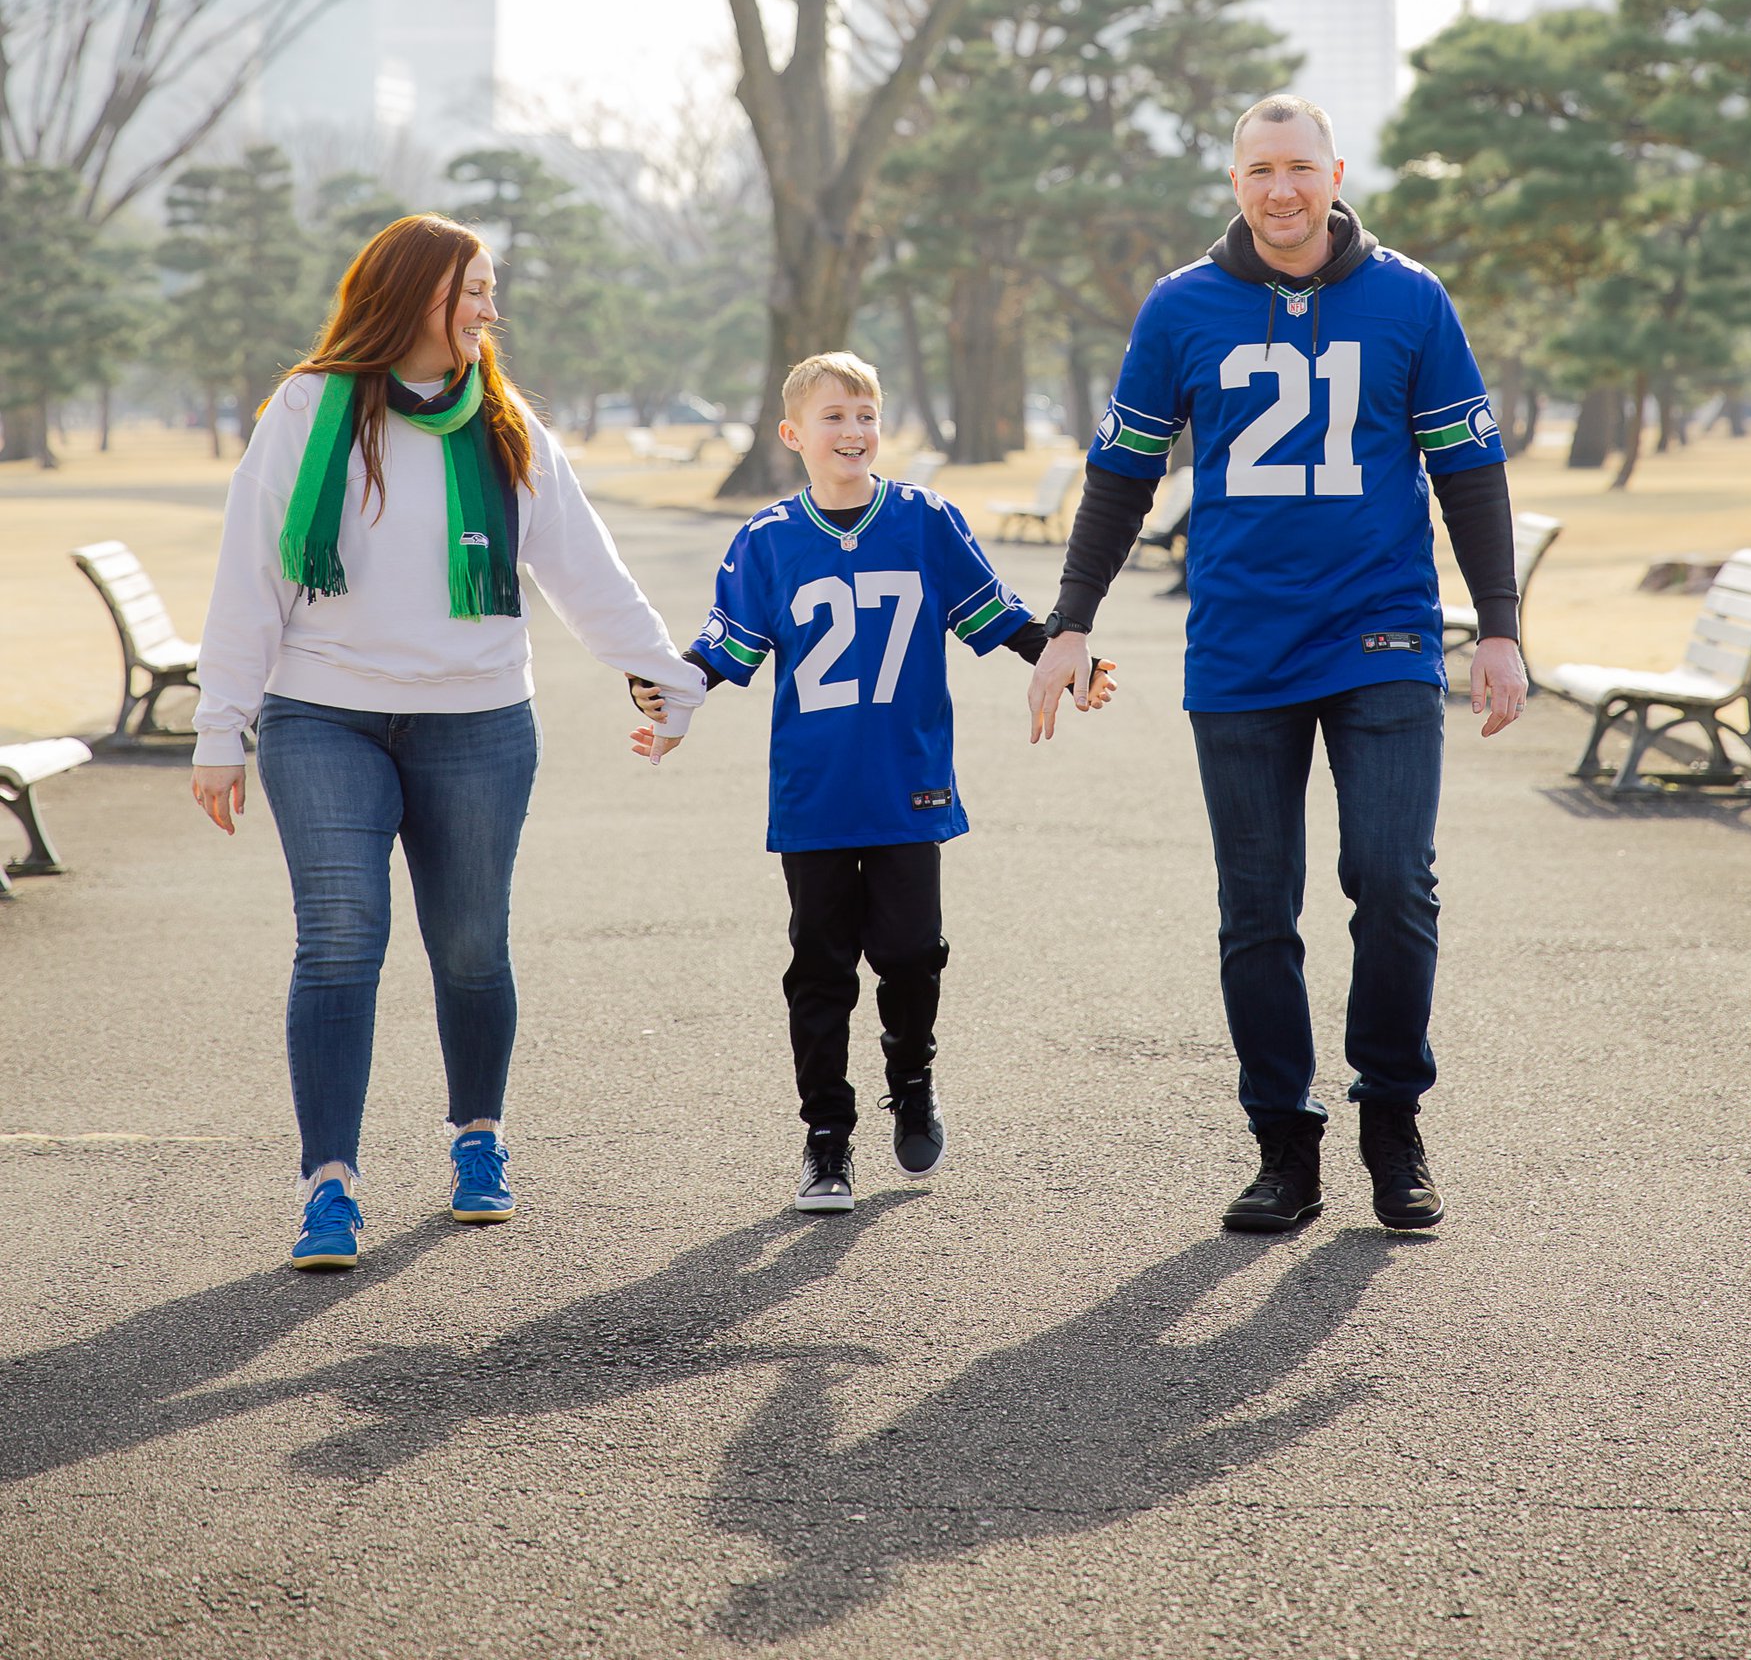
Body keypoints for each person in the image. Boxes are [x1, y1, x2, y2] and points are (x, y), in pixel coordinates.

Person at [1026, 95, 1526, 1237]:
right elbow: (1122, 475)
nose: (1282, 190)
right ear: (1235, 183)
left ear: (1336, 174)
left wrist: (1498, 626)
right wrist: (1070, 622)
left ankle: (1391, 1118)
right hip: (1242, 646)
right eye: (1261, 170)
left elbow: (1468, 470)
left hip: (1381, 633)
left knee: (1392, 881)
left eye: (1301, 167)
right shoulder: (1180, 307)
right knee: (1257, 906)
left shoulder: (1410, 297)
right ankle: (1283, 1146)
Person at [189, 213, 707, 1272]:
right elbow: (251, 570)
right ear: (413, 292)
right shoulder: (309, 409)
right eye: (473, 289)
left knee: (470, 945)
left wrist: (664, 674)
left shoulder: (505, 423)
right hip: (321, 714)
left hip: (478, 721)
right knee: (340, 940)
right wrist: (219, 725)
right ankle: (328, 1185)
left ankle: (478, 1135)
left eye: (490, 289)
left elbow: (584, 567)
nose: (489, 309)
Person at [635, 352, 1114, 1212]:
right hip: (816, 790)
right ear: (792, 434)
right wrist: (666, 690)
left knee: (911, 952)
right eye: (833, 416)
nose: (853, 431)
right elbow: (723, 651)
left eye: (865, 415)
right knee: (820, 965)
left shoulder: (926, 520)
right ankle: (827, 1138)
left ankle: (912, 1082)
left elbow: (998, 615)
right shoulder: (766, 539)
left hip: (908, 779)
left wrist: (1065, 661)